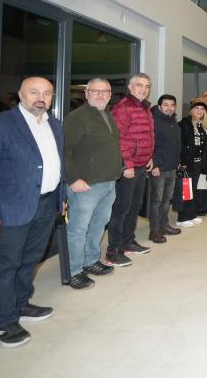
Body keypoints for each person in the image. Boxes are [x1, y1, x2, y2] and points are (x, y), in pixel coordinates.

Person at [0, 77, 65, 347]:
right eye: (34, 92)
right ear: (21, 95)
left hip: (45, 205)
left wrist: (61, 199)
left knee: (30, 260)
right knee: (6, 265)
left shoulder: (54, 125)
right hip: (10, 209)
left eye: (47, 93)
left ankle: (21, 304)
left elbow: (58, 166)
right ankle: (2, 323)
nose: (41, 97)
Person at [63, 78, 123, 290]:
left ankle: (90, 260)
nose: (101, 95)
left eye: (105, 91)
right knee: (79, 228)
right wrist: (73, 178)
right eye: (95, 91)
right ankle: (73, 270)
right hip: (85, 185)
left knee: (98, 224)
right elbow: (64, 151)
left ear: (110, 95)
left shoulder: (106, 114)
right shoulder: (76, 117)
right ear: (86, 94)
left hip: (108, 182)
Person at [106, 73, 155, 267]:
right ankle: (113, 250)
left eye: (147, 86)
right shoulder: (123, 107)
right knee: (121, 209)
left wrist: (149, 156)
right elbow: (120, 138)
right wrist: (126, 164)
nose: (143, 89)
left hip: (142, 165)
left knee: (135, 206)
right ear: (130, 86)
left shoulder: (145, 107)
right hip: (129, 167)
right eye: (139, 85)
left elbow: (147, 136)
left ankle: (128, 241)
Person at [147, 94, 183, 244]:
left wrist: (178, 161)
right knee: (156, 200)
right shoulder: (153, 121)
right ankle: (154, 231)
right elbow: (150, 144)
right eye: (166, 105)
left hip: (172, 166)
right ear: (159, 106)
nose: (169, 108)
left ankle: (164, 225)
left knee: (167, 199)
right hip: (159, 168)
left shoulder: (173, 121)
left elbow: (176, 144)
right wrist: (154, 164)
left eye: (172, 105)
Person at [178, 101, 207, 225]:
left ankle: (191, 214)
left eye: (202, 109)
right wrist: (182, 161)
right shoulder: (184, 124)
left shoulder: (200, 125)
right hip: (187, 163)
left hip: (197, 163)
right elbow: (180, 144)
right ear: (191, 110)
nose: (199, 111)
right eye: (197, 108)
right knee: (185, 190)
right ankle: (182, 218)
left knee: (193, 190)